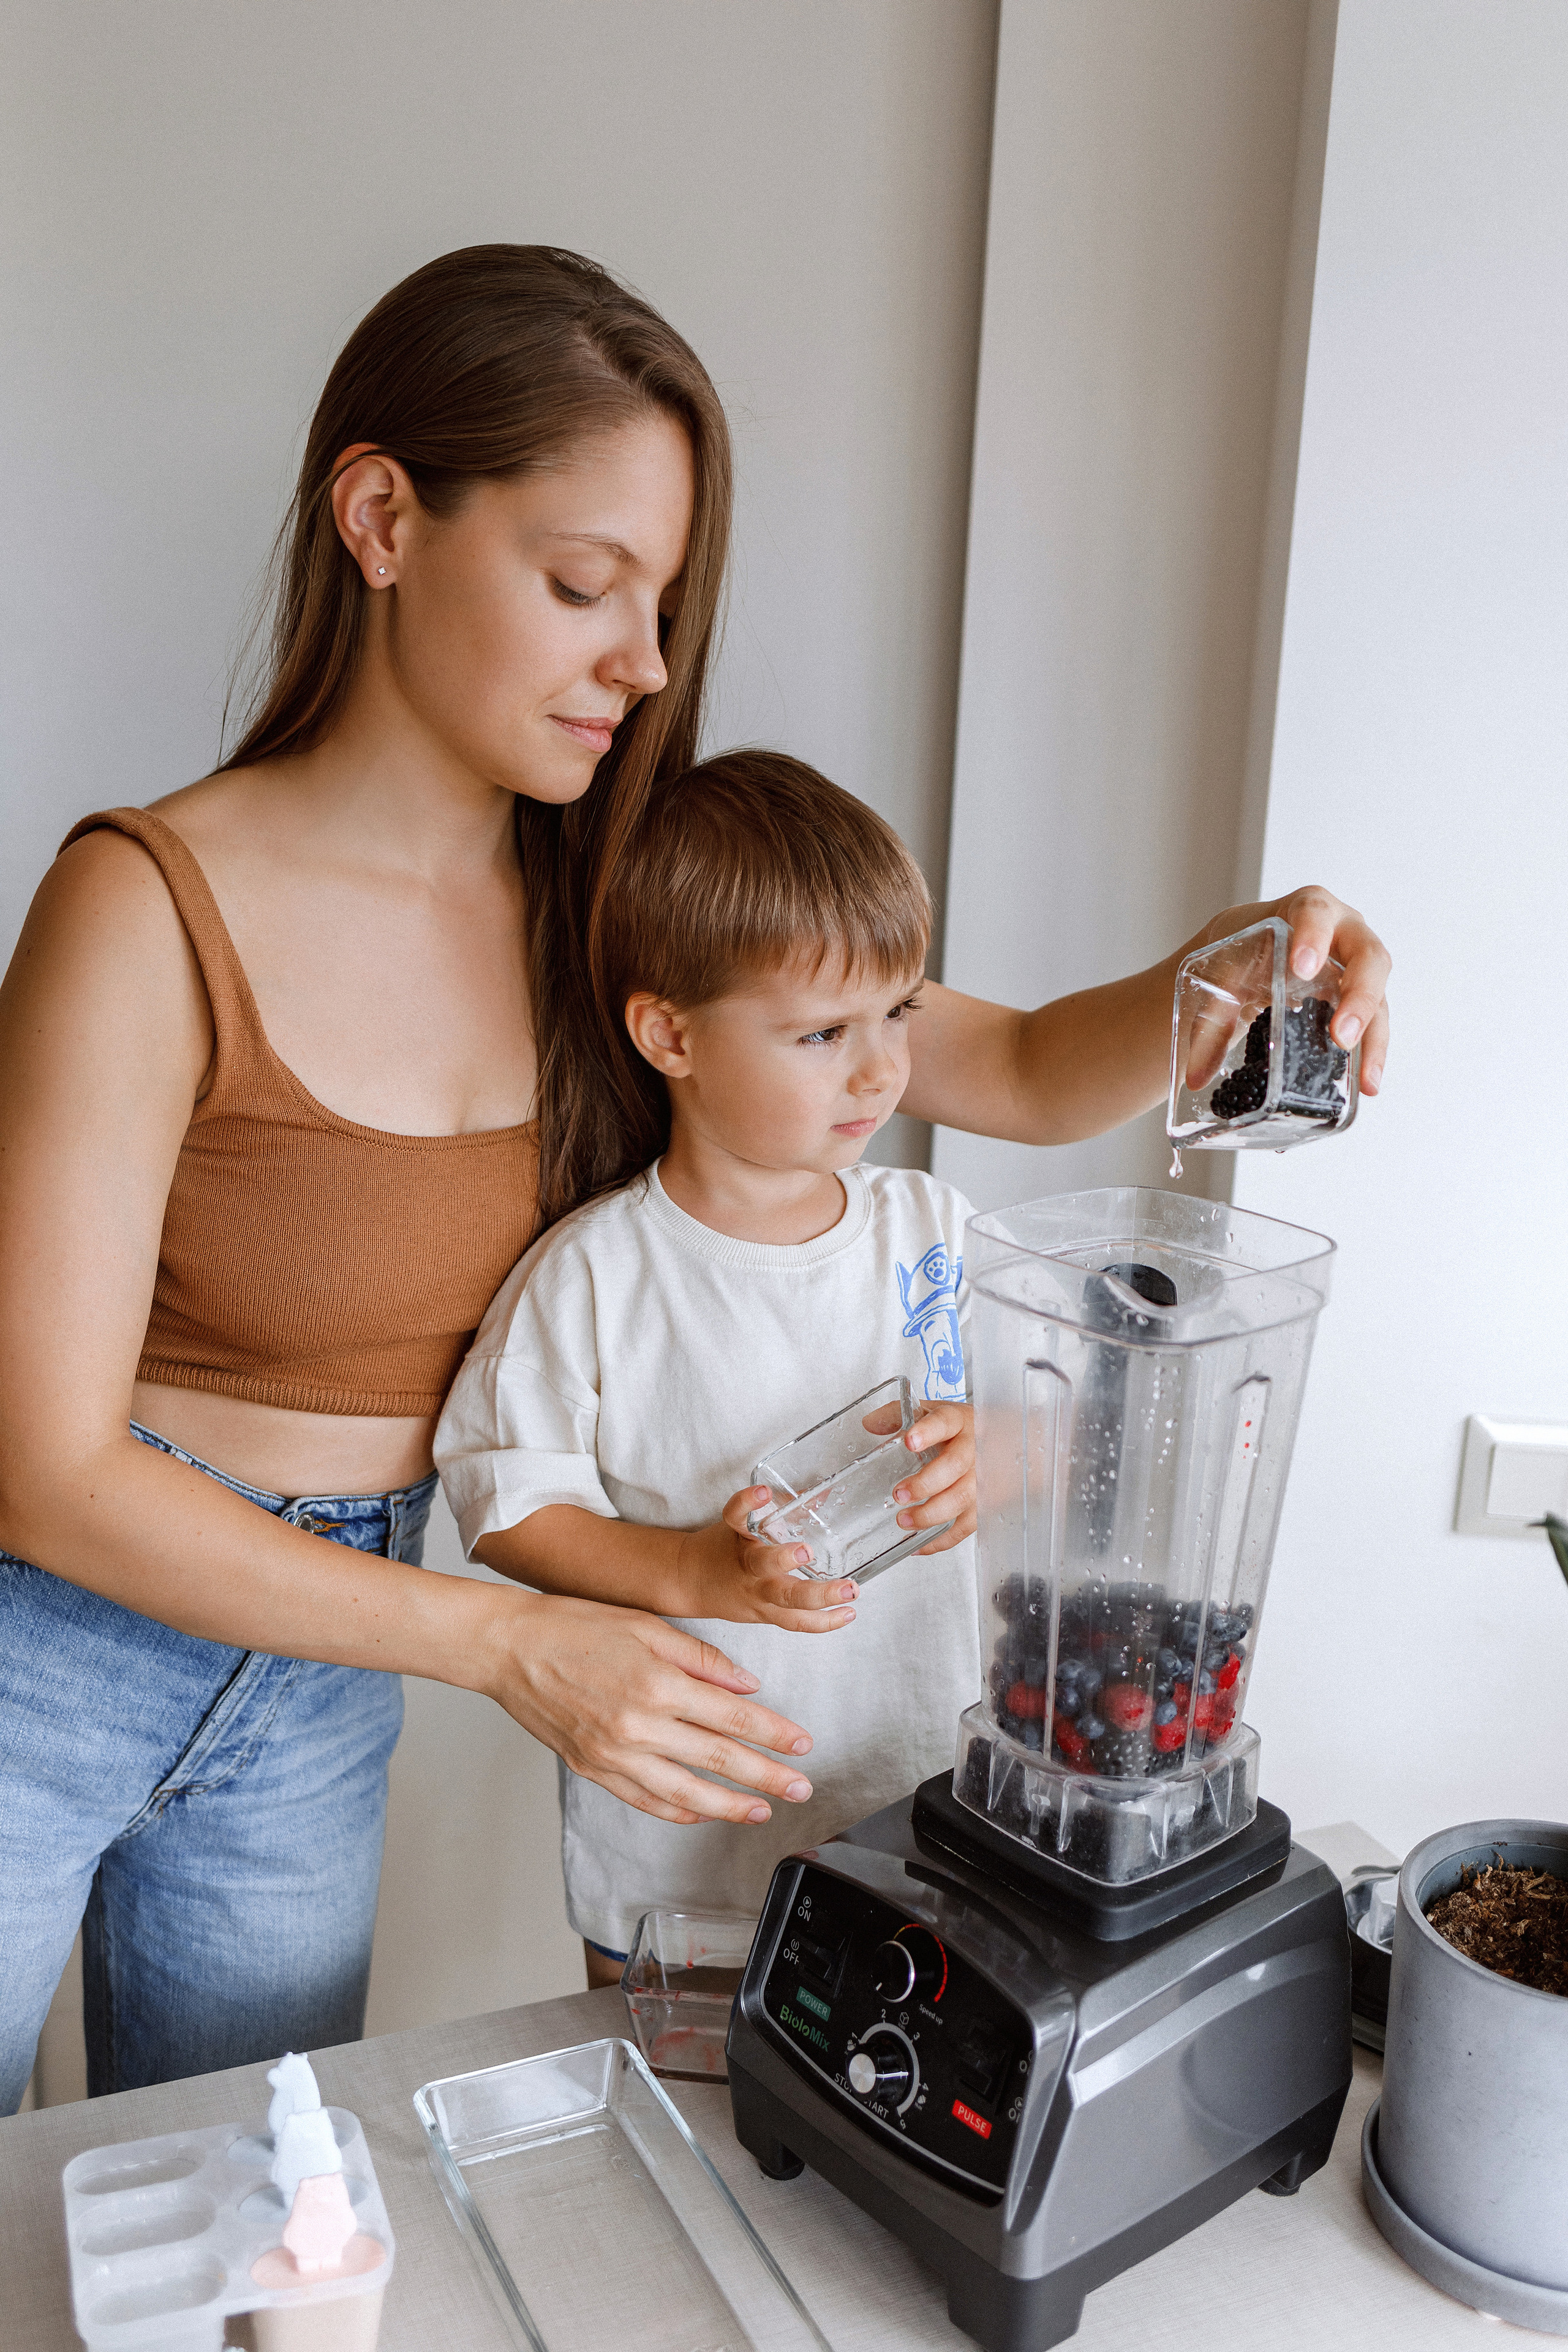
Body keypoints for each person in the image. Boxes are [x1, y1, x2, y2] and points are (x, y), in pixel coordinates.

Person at [0, 243, 1392, 2113]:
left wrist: (1263, 960)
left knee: (252, 2215)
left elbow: (1038, 1068)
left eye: (661, 601)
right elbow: (44, 1460)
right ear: (382, 515)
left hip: (322, 1686)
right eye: (585, 586)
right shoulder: (141, 906)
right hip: (49, 1655)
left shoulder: (615, 926)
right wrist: (512, 1641)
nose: (645, 663)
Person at [436, 752, 982, 1980]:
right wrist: (690, 1566)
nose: (880, 1068)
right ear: (669, 1035)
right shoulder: (594, 1273)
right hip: (679, 1833)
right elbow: (506, 1504)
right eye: (822, 1032)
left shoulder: (930, 1231)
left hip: (915, 1801)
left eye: (897, 1011)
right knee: (675, 2141)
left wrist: (994, 1456)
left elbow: (1050, 1422)